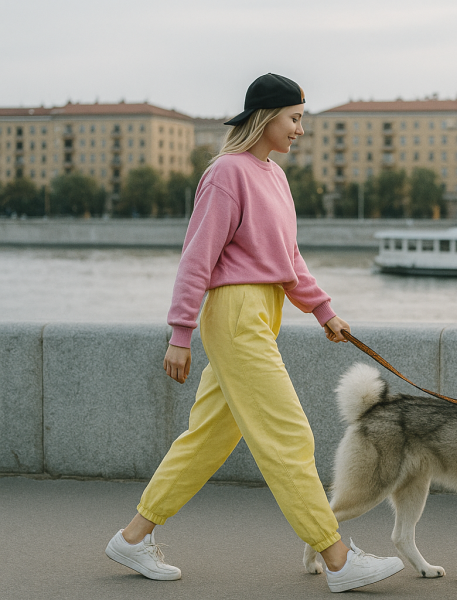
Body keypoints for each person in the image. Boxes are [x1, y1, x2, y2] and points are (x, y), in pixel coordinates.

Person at [104, 73, 404, 593]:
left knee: (208, 438)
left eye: (302, 120)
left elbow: (287, 258)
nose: (300, 130)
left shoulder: (274, 176)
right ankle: (337, 559)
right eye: (294, 119)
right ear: (265, 119)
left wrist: (322, 310)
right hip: (236, 315)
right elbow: (197, 256)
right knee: (290, 435)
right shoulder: (227, 173)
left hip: (262, 310)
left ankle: (133, 537)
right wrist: (180, 333)